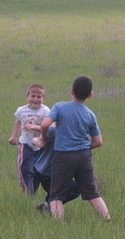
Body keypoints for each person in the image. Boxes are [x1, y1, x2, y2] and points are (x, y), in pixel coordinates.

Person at [39, 76, 110, 220]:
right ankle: (107, 219)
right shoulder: (90, 114)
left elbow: (45, 124)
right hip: (84, 156)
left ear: (71, 91)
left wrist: (44, 138)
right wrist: (83, 147)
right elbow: (98, 142)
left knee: (56, 195)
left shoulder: (59, 107)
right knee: (92, 193)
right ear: (90, 95)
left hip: (63, 156)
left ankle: (58, 223)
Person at [8, 84, 50, 195]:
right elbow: (18, 121)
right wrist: (14, 136)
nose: (35, 99)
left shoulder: (45, 111)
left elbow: (49, 127)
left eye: (39, 97)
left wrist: (34, 127)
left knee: (37, 171)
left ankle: (32, 192)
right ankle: (27, 191)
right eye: (33, 96)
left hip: (40, 146)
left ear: (44, 99)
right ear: (27, 97)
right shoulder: (22, 110)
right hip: (25, 144)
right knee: (25, 168)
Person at [30, 124, 79, 214]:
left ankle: (47, 207)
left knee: (60, 192)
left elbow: (39, 141)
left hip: (44, 172)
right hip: (49, 173)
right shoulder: (73, 133)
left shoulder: (53, 130)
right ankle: (49, 207)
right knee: (75, 188)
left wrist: (35, 139)